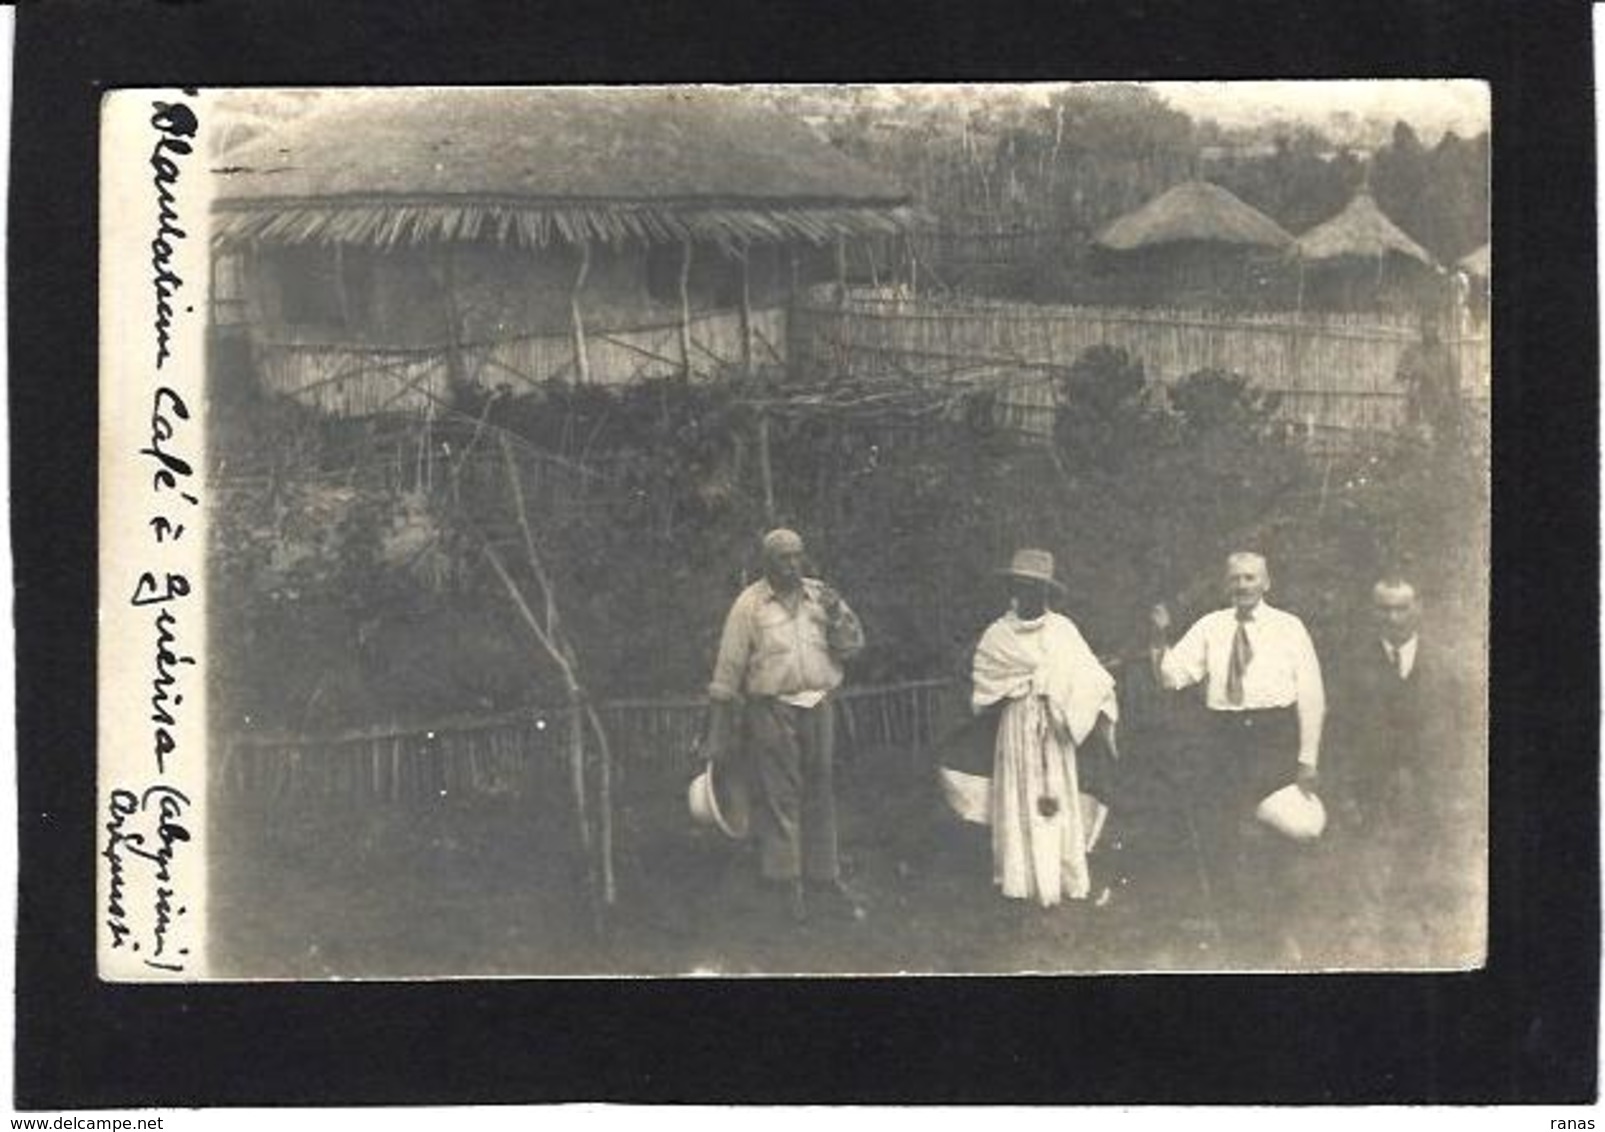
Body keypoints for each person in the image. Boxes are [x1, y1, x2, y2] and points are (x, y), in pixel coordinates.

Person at [1148, 551, 1325, 961]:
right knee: (1224, 833)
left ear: (1267, 583)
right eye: (1235, 579)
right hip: (1224, 739)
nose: (1243, 585)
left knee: (1280, 836)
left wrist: (1307, 758)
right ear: (1225, 585)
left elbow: (1312, 695)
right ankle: (1236, 934)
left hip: (1273, 736)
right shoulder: (1210, 626)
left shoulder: (1288, 628)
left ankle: (1279, 930)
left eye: (1250, 578)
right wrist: (1159, 637)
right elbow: (1172, 676)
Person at [942, 548, 1119, 908]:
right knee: (1021, 793)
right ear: (1012, 589)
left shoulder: (1064, 630)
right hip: (1018, 724)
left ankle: (1059, 873)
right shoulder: (998, 635)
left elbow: (1093, 678)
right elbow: (985, 682)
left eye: (1037, 588)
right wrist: (1021, 688)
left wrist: (1065, 696)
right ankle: (1020, 875)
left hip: (1056, 727)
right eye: (1022, 587)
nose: (1029, 595)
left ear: (1048, 593)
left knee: (1054, 794)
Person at [706, 528, 866, 922]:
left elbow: (853, 647)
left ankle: (824, 876)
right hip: (772, 708)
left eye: (797, 556)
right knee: (782, 794)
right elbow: (729, 666)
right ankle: (785, 882)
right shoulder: (750, 605)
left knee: (820, 787)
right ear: (767, 563)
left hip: (818, 703)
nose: (792, 565)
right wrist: (720, 723)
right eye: (783, 558)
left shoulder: (821, 597)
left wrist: (836, 614)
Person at [1327, 576, 1476, 961]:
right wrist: (1345, 794)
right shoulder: (1350, 667)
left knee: (1425, 884)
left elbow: (1464, 733)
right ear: (1373, 611)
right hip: (1369, 793)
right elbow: (1338, 735)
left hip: (1430, 794)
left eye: (1401, 608)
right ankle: (1368, 965)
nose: (1393, 617)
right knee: (1366, 884)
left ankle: (1423, 960)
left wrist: (1455, 794)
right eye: (1384, 608)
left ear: (1418, 608)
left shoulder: (1447, 666)